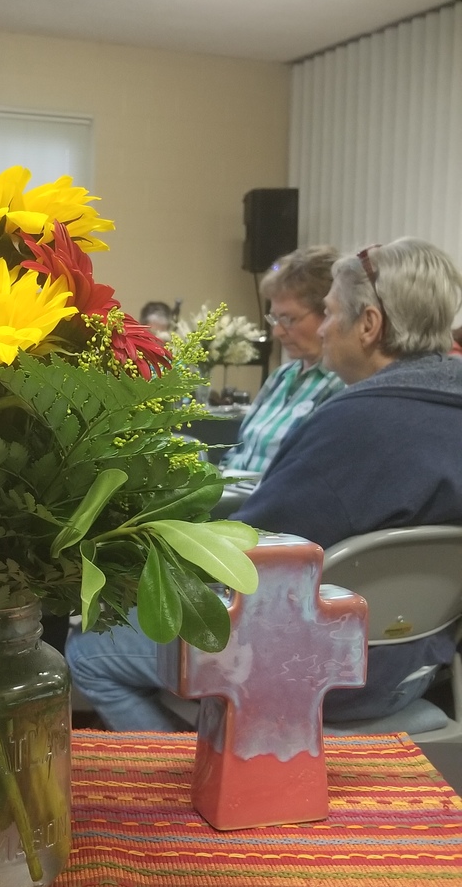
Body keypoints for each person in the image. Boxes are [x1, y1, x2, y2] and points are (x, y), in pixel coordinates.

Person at [68, 237, 462, 731]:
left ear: (368, 324)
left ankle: (203, 763)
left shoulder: (354, 425)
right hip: (417, 668)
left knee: (89, 648)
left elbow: (245, 553)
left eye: (329, 313)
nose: (324, 329)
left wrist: (136, 575)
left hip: (317, 673)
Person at [222, 246, 343, 475]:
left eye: (288, 319)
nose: (277, 332)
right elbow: (239, 451)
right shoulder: (281, 377)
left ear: (327, 314)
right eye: (274, 318)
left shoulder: (342, 384)